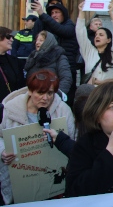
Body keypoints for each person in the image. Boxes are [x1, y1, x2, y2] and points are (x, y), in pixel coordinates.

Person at [0, 69, 75, 204]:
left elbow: (73, 140)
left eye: (50, 93)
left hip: (53, 183)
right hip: (19, 181)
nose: (45, 98)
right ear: (30, 91)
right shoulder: (10, 109)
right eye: (40, 93)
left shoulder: (63, 110)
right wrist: (3, 151)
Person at [31, 0, 79, 105]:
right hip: (53, 69)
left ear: (64, 14)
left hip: (68, 69)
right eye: (52, 13)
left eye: (57, 12)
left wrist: (43, 14)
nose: (54, 15)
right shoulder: (50, 26)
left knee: (66, 102)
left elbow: (61, 30)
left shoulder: (69, 25)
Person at [76, 1, 113, 85]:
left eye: (101, 35)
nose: (97, 37)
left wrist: (111, 13)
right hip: (91, 95)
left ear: (108, 40)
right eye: (96, 35)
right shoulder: (89, 52)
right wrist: (81, 12)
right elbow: (80, 33)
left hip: (108, 95)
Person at [24, 31, 72, 96]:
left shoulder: (59, 57)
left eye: (41, 40)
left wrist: (57, 95)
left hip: (51, 97)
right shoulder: (33, 57)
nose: (37, 42)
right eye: (37, 40)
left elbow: (66, 78)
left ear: (48, 42)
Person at [0, 27, 26, 103]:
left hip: (11, 105)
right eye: (8, 37)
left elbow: (21, 85)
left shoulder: (15, 61)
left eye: (12, 37)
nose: (12, 39)